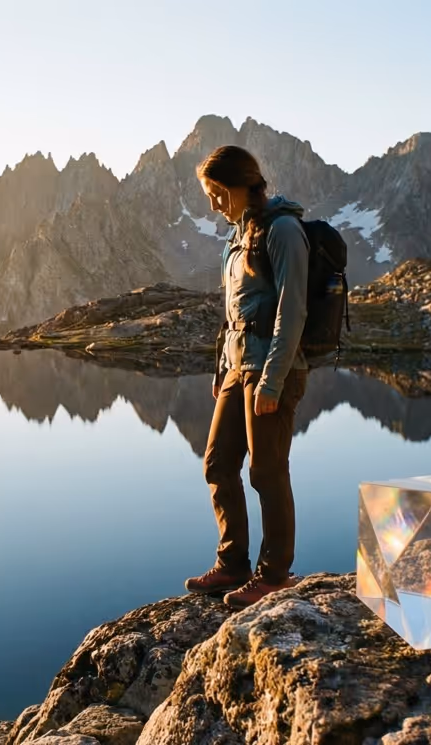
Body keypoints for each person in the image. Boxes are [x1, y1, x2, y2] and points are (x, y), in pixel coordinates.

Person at [184, 144, 310, 610]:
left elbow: (291, 312)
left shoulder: (283, 231)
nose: (214, 203)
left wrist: (273, 381)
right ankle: (232, 563)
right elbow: (233, 315)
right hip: (239, 369)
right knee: (217, 464)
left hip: (273, 371)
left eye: (218, 193)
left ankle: (273, 575)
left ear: (243, 183)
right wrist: (223, 367)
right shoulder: (235, 242)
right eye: (208, 195)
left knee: (267, 471)